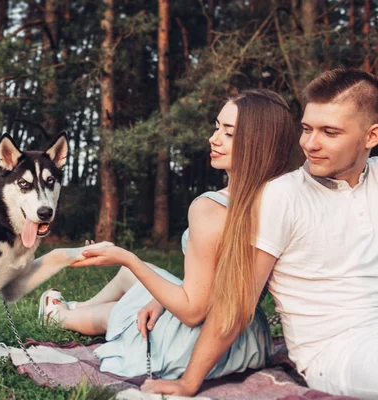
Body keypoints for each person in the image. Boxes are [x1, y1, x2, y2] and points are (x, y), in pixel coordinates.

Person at [142, 69, 378, 399]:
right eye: (307, 129)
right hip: (337, 351)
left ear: (371, 136)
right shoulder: (282, 195)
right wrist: (188, 383)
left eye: (330, 132)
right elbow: (235, 305)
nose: (310, 143)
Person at [38, 89, 302, 382]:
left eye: (228, 133)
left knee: (132, 296)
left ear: (257, 143)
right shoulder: (280, 199)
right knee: (144, 291)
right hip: (251, 343)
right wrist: (160, 299)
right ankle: (79, 306)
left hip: (196, 345)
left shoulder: (210, 208)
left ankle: (61, 316)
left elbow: (193, 312)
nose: (213, 139)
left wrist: (127, 257)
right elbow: (221, 283)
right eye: (217, 128)